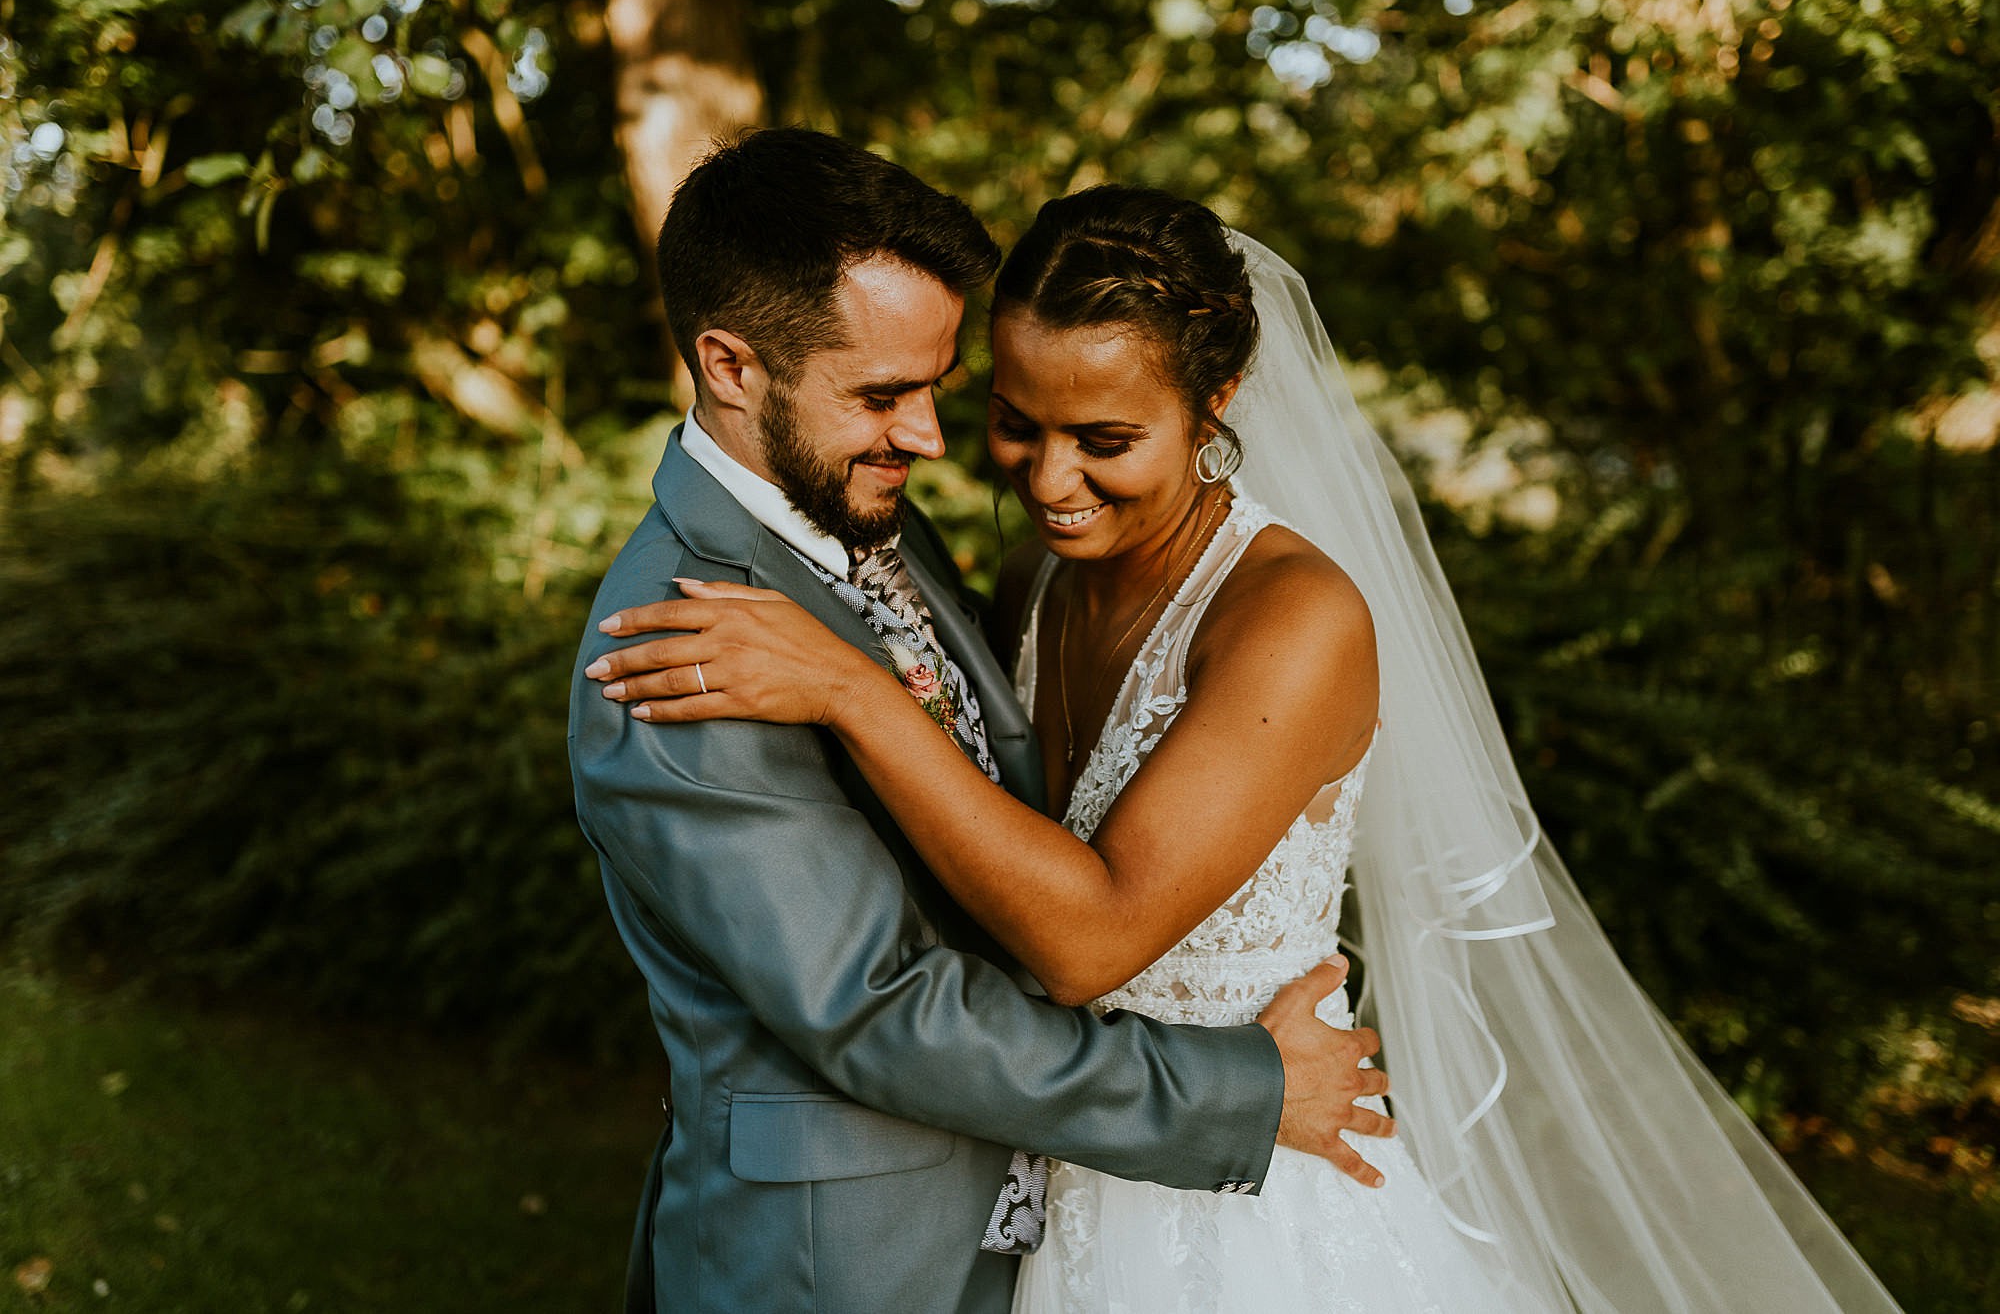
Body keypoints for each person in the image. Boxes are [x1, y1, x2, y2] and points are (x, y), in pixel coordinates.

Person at [589, 185, 1905, 1311]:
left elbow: (1088, 932)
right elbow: (930, 921)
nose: (1048, 481)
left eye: (1106, 440)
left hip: (1250, 1198)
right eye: (1016, 422)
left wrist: (857, 695)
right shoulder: (1026, 575)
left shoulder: (1293, 619)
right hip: (1061, 1186)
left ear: (1216, 401)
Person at [568, 132, 1395, 1314]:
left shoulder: (883, 534)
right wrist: (1241, 1092)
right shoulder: (685, 643)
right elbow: (879, 1006)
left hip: (1089, 1218)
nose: (935, 441)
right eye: (882, 395)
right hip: (840, 1262)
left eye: (939, 392)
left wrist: (855, 689)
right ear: (732, 367)